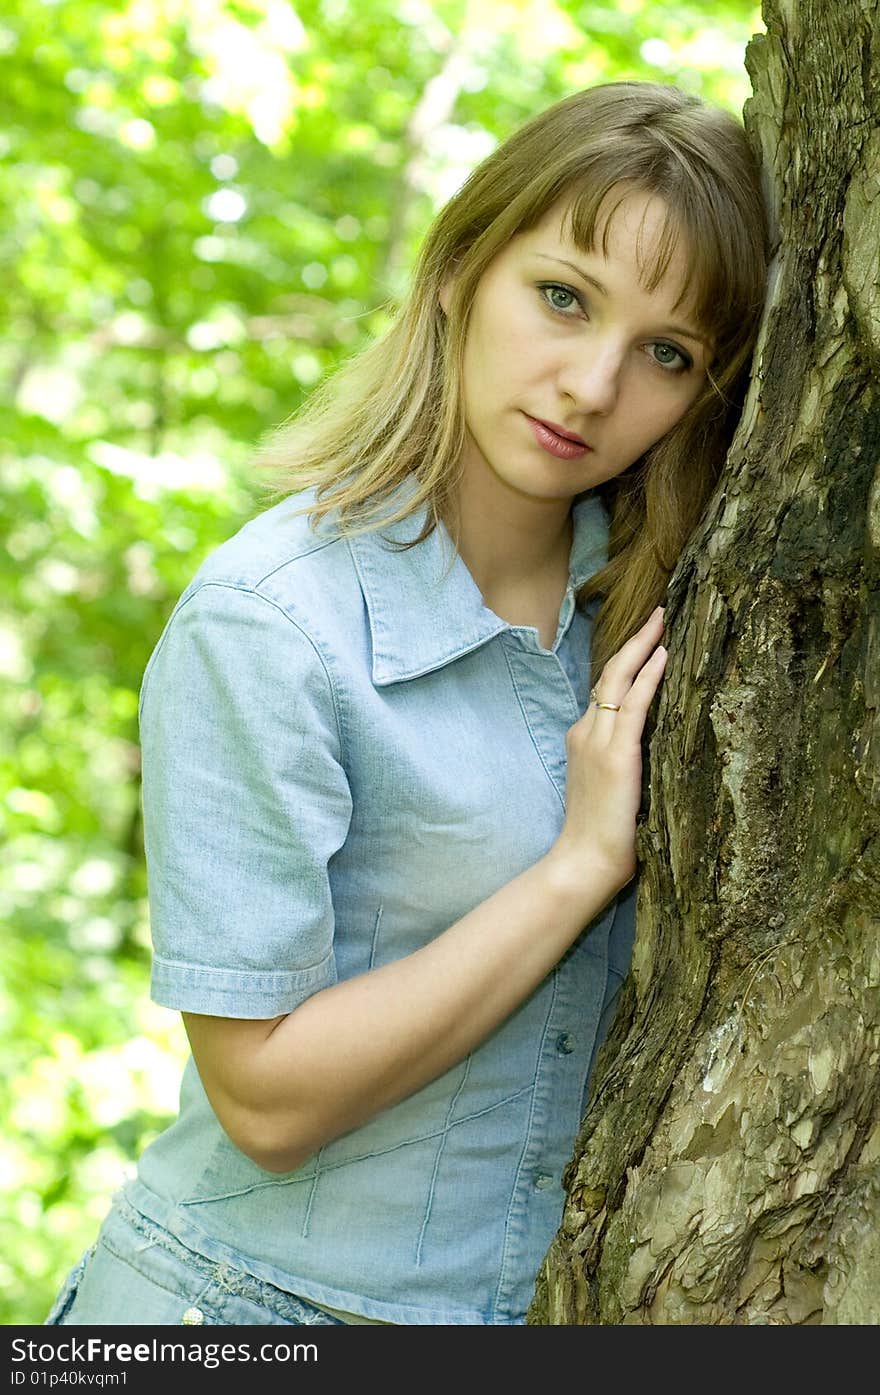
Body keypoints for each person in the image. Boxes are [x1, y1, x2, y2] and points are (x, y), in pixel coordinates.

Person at [45, 79, 769, 1327]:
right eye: (562, 297)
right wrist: (576, 866)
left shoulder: (676, 622)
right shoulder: (272, 623)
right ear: (459, 271)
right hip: (236, 1311)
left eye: (667, 353)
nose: (592, 385)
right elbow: (263, 1099)